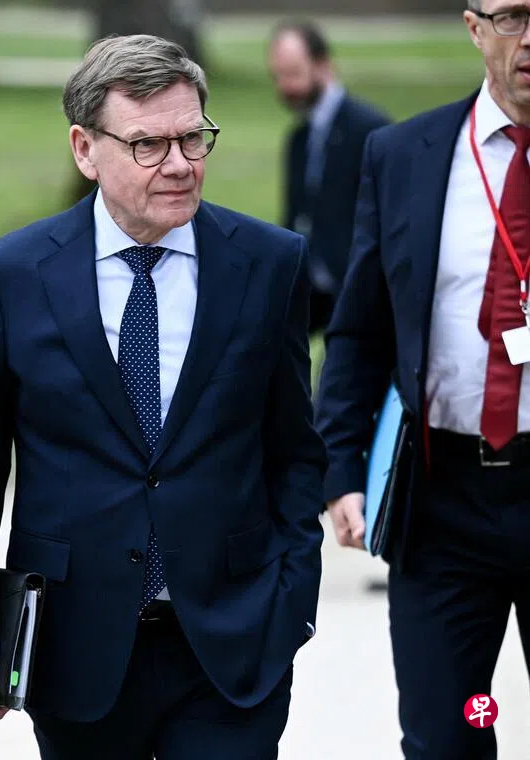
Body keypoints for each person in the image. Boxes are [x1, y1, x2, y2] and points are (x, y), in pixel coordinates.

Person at [0, 34, 324, 760]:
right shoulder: (12, 276)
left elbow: (294, 448)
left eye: (192, 138)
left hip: (233, 645)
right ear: (85, 149)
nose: (179, 164)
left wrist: (293, 601)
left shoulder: (269, 264)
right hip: (76, 648)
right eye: (147, 145)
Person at [316, 3, 530, 758]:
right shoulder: (404, 154)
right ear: (475, 28)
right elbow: (360, 329)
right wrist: (341, 470)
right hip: (444, 502)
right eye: (515, 17)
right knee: (450, 733)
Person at [268, 20, 389, 334]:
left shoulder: (370, 130)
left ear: (323, 66)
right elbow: (294, 215)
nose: (285, 87)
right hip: (309, 280)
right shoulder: (298, 137)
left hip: (355, 286)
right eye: (278, 76)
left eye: (293, 73)